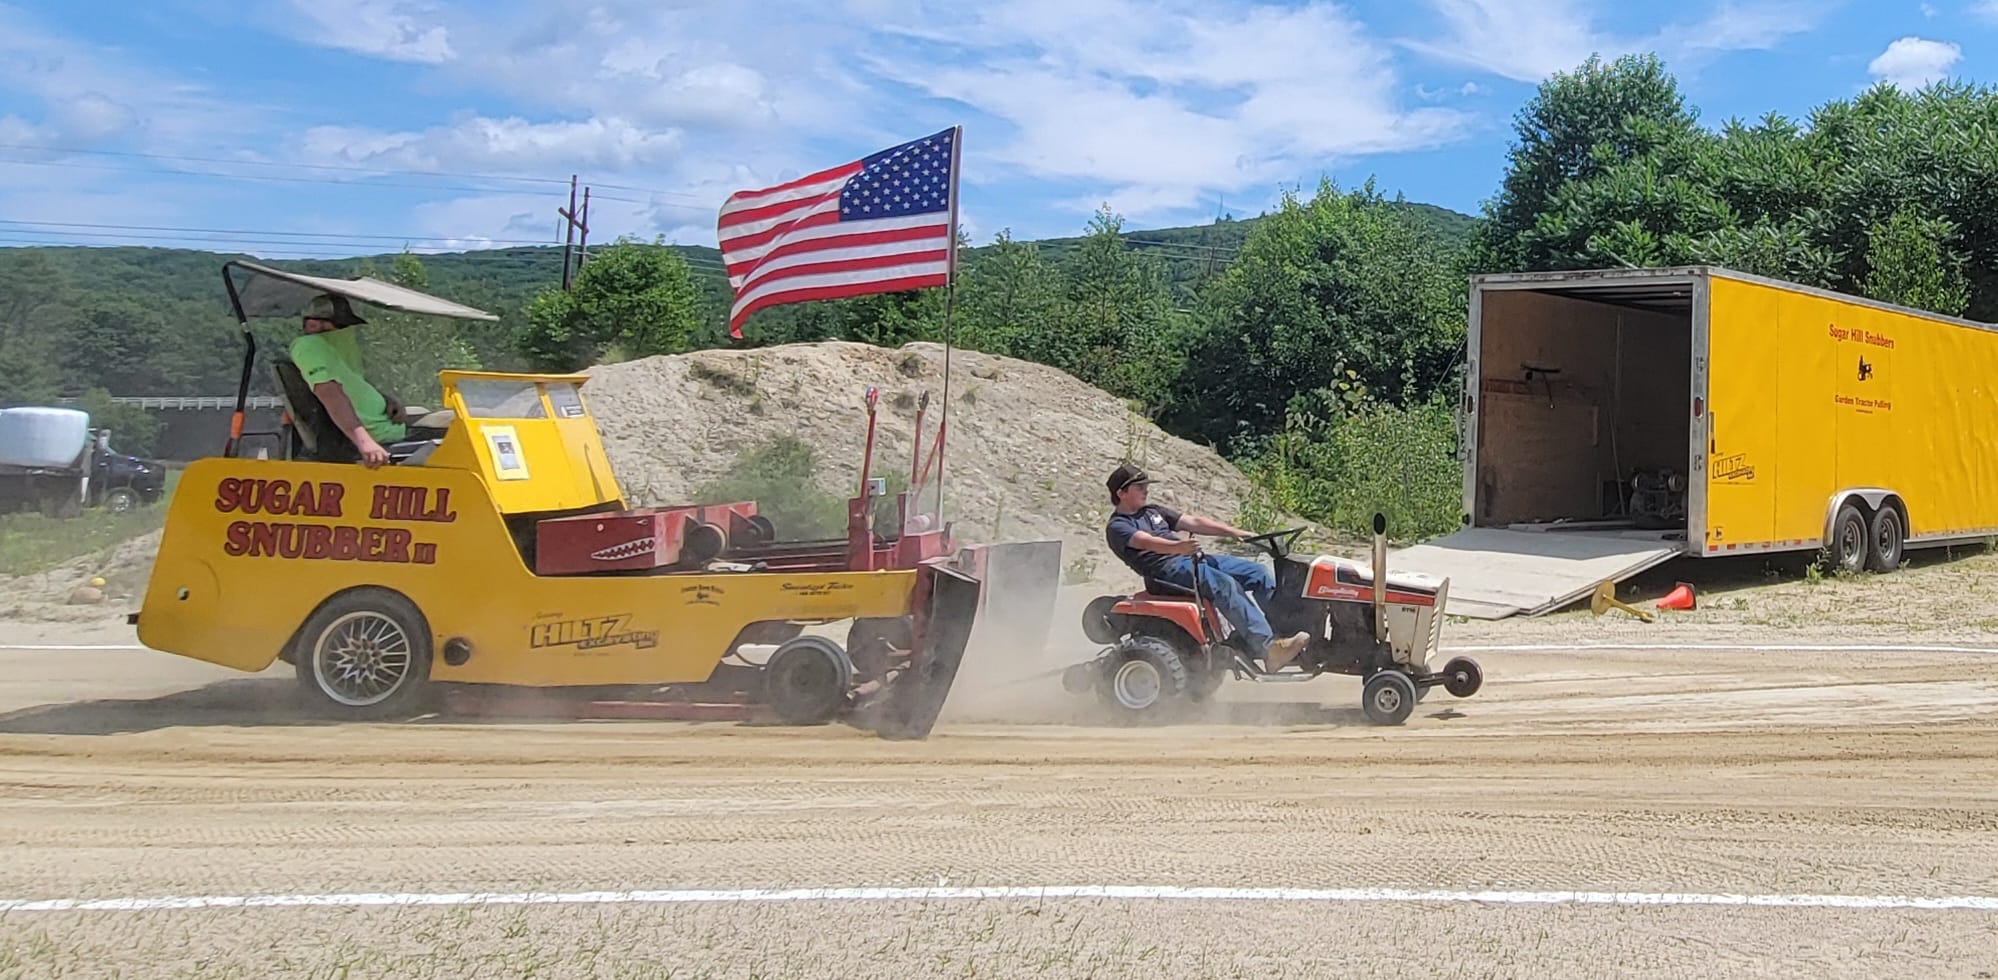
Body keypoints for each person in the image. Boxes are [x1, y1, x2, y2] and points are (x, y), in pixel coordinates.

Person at [1103, 463, 1311, 671]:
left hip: (1189, 560)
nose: (1146, 490)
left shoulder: (1152, 511)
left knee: (1257, 573)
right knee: (1224, 585)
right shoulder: (1118, 525)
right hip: (1165, 571)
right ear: (1121, 493)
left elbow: (1193, 522)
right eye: (1139, 487)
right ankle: (1268, 649)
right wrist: (1177, 547)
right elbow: (1144, 542)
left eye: (1145, 486)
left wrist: (1234, 532)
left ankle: (1283, 636)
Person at [289, 294, 442, 468]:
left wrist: (384, 400)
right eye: (341, 325)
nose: (347, 331)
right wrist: (365, 443)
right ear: (313, 325)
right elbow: (330, 393)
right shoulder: (309, 346)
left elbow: (351, 383)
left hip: (389, 431)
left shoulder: (328, 350)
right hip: (379, 441)